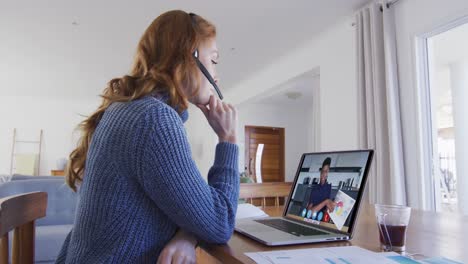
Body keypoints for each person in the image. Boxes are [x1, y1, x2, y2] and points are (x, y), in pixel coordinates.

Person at [56, 10, 239, 264]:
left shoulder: (131, 110)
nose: (216, 75)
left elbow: (189, 207)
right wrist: (228, 139)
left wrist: (187, 234)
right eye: (214, 60)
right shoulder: (155, 121)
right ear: (189, 56)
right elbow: (220, 223)